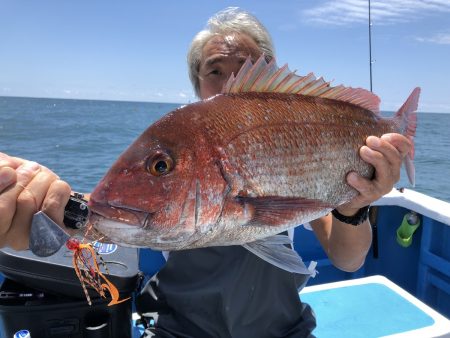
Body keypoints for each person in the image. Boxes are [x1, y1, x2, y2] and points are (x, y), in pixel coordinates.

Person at [0, 7, 412, 338]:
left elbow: (348, 259)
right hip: (181, 330)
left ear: (270, 74)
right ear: (196, 81)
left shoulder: (293, 140)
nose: (230, 80)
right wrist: (34, 195)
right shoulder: (181, 143)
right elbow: (99, 215)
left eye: (247, 66)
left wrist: (355, 206)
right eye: (215, 70)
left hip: (285, 329)